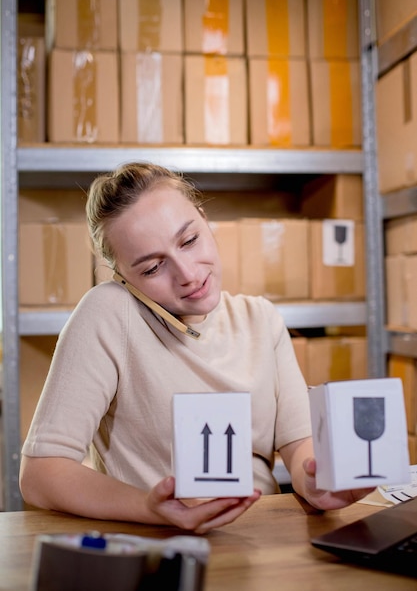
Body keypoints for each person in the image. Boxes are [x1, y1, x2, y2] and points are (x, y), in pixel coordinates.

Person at [19, 161, 372, 534]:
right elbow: (41, 475)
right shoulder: (109, 313)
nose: (188, 274)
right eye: (153, 268)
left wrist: (317, 483)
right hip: (160, 544)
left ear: (204, 220)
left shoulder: (260, 318)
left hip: (260, 543)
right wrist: (152, 508)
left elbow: (299, 443)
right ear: (121, 276)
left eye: (189, 241)